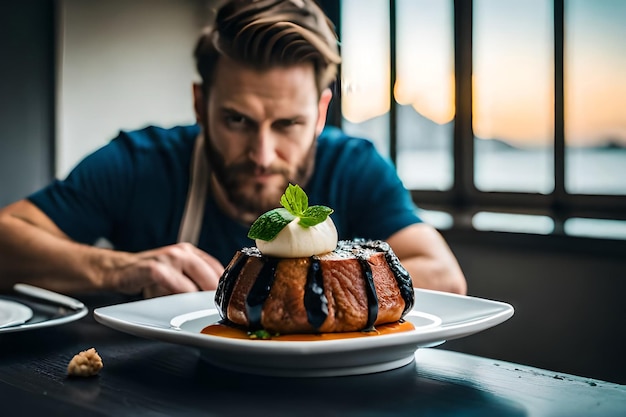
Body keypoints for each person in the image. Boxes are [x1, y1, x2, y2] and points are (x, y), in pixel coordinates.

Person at [0, 0, 466, 297]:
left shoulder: (356, 166)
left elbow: (445, 278)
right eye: (237, 120)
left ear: (322, 114)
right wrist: (118, 270)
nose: (263, 153)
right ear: (201, 105)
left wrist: (305, 288)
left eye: (288, 124)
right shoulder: (141, 162)